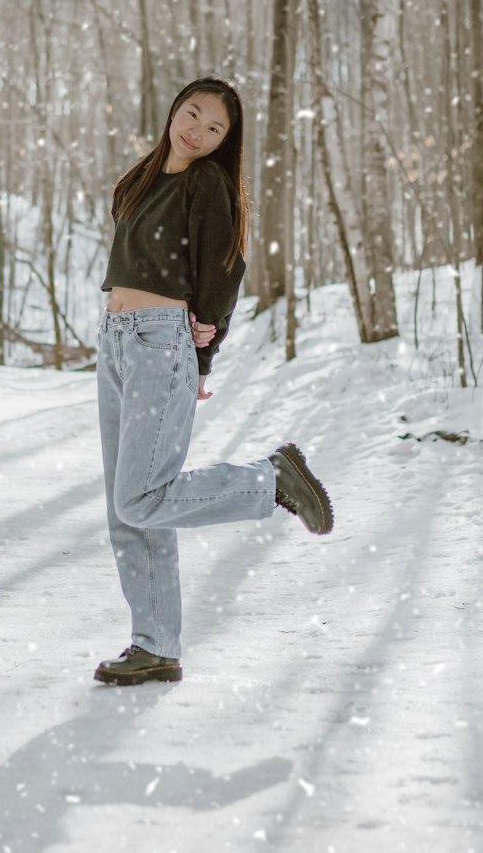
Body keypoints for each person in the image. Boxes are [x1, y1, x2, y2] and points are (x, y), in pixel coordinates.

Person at [94, 76, 333, 687]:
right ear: (176, 106)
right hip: (118, 341)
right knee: (130, 511)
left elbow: (224, 265)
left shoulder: (206, 184)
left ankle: (269, 478)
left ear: (226, 142)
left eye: (213, 128)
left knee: (140, 497)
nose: (195, 129)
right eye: (192, 112)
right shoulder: (144, 178)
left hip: (158, 340)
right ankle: (154, 646)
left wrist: (204, 348)